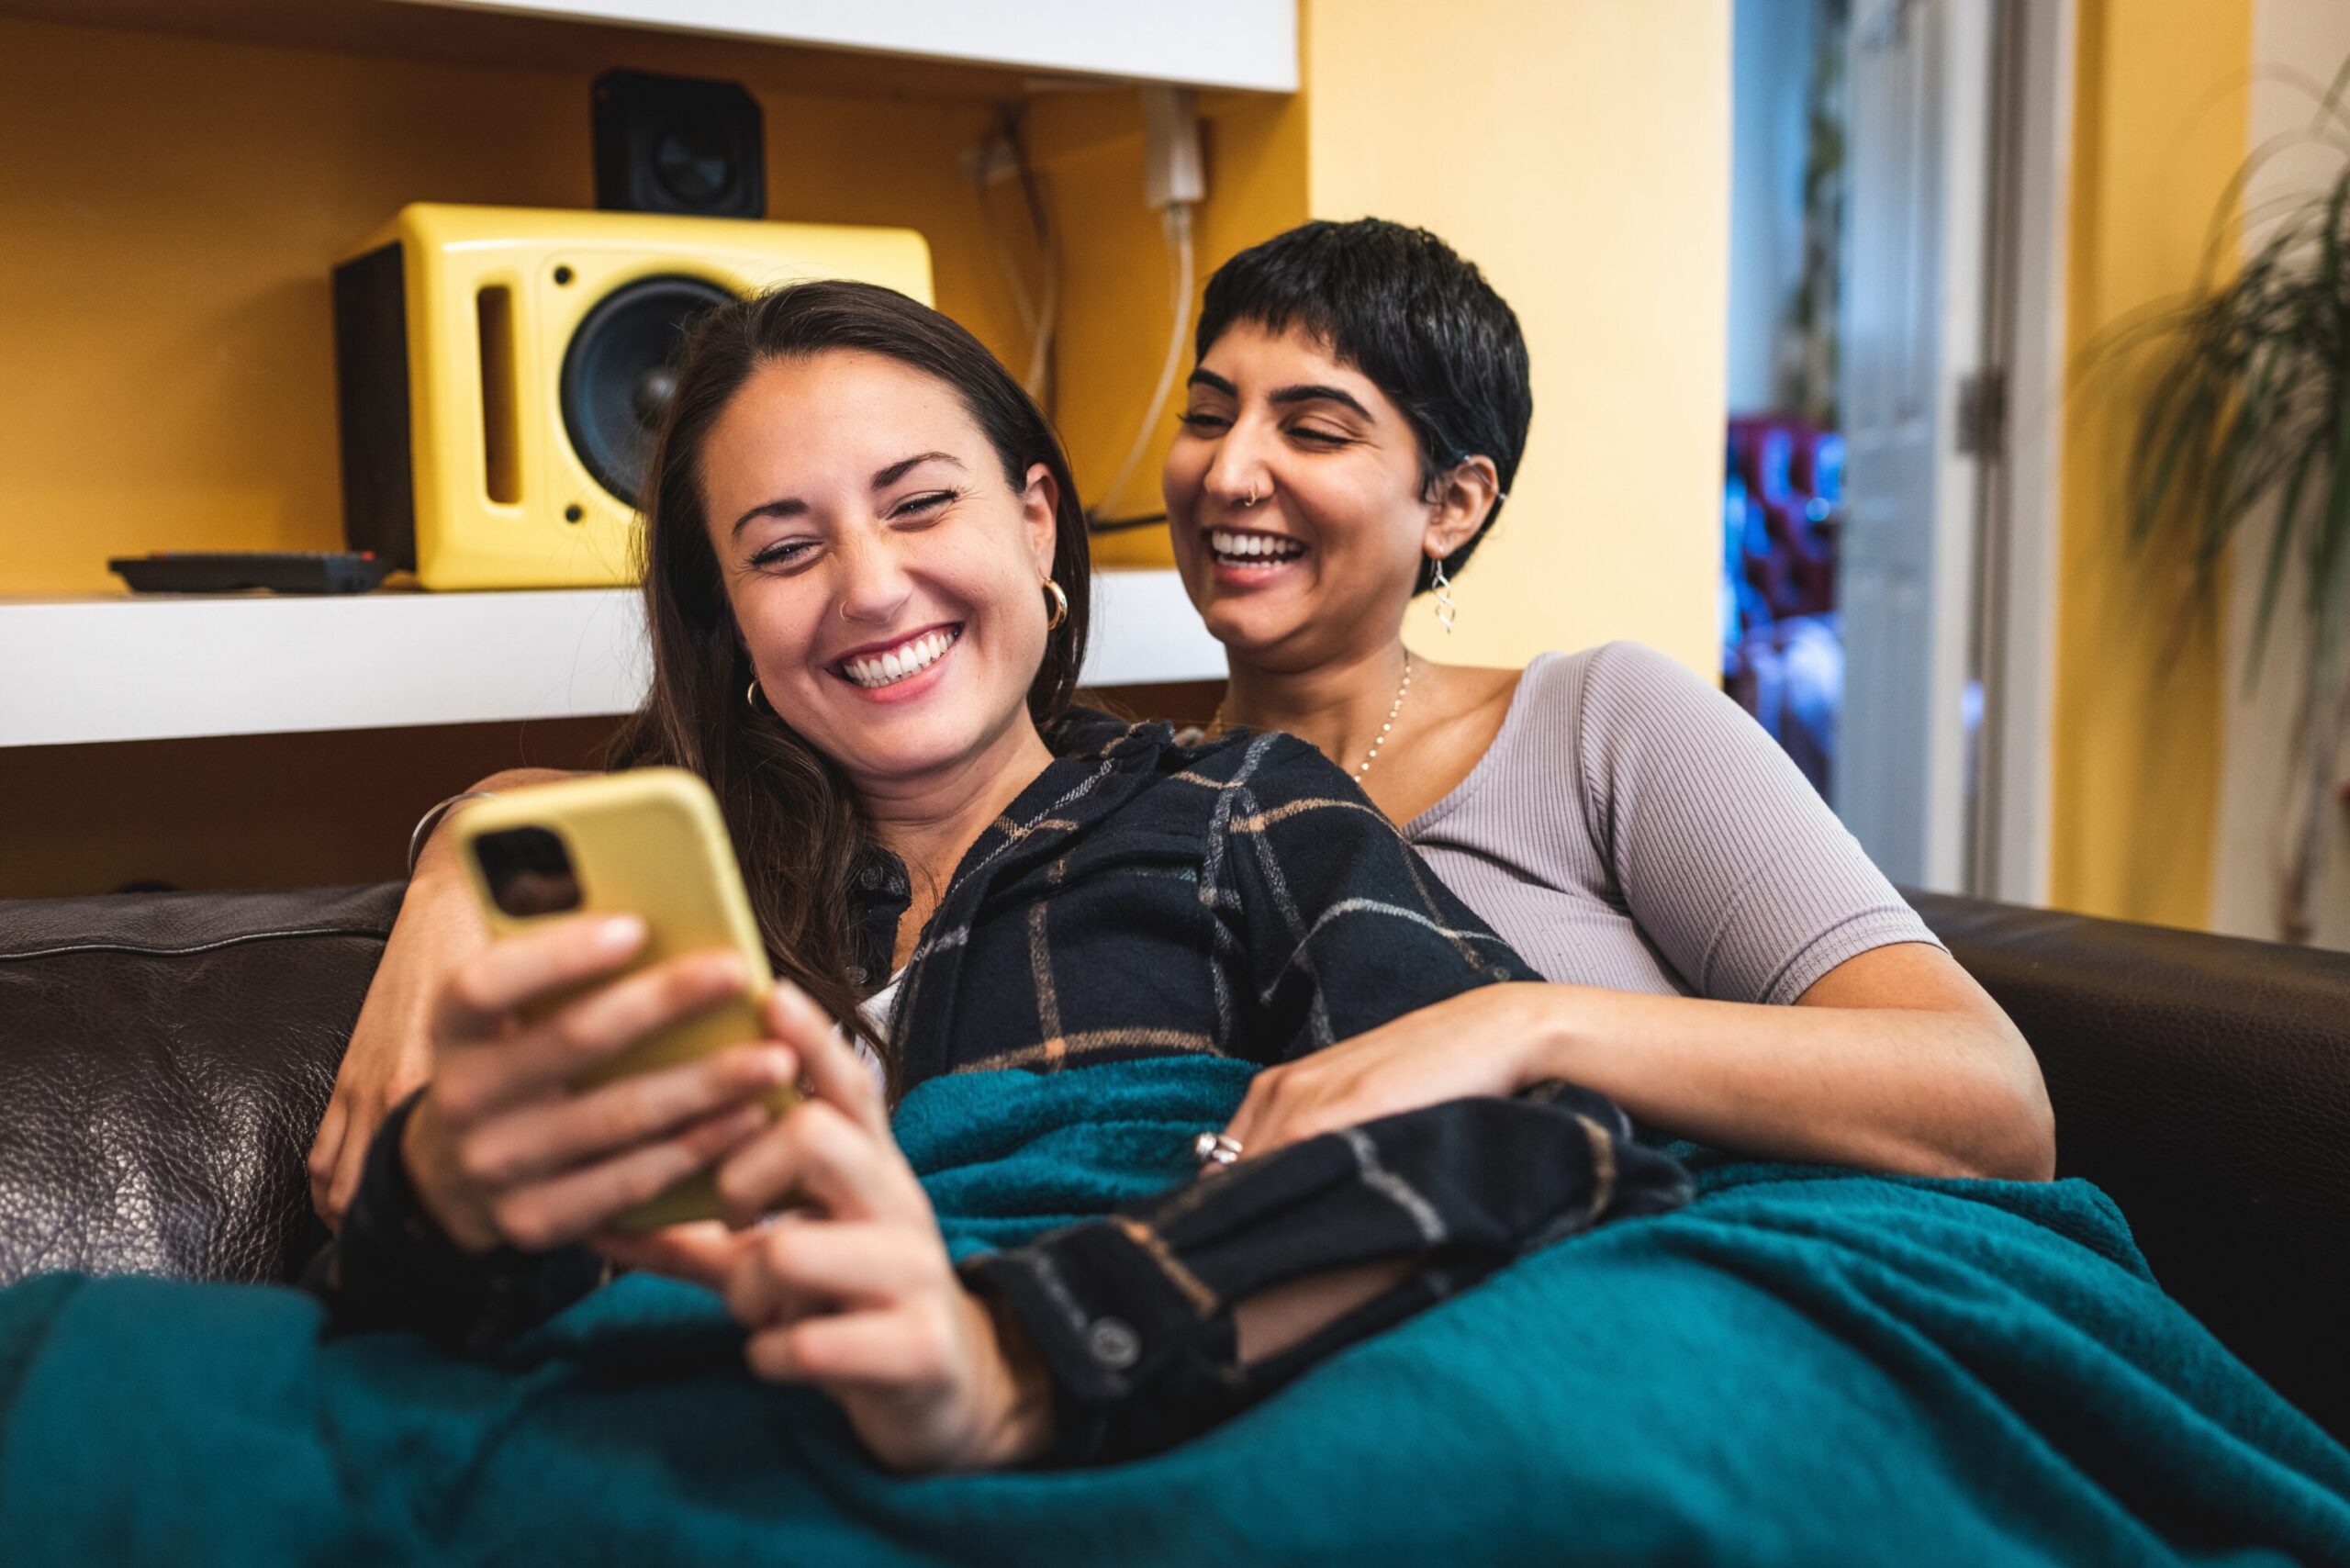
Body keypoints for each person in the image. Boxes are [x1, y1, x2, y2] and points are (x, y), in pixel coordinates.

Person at [304, 279, 1685, 1472]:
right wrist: (447, 1196)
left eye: (921, 506)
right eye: (783, 550)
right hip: (686, 1445)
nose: (868, 587)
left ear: (1036, 524)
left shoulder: (1242, 808)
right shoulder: (640, 885)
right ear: (728, 619)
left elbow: (1542, 1136)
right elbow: (416, 1322)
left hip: (1099, 1430)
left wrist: (1010, 1354)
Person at [1159, 218, 2053, 1181]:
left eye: (1314, 431)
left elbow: (1994, 1104)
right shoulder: (1131, 802)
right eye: (1207, 416)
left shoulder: (1592, 725)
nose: (1226, 472)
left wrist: (1525, 1025)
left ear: (1453, 504)